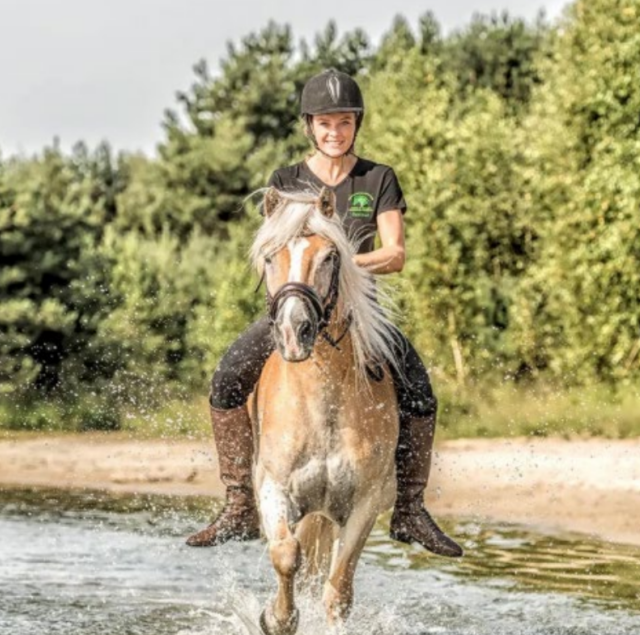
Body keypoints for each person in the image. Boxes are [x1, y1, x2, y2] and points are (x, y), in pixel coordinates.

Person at [185, 68, 463, 558]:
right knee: (227, 380)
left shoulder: (377, 179)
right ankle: (238, 503)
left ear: (356, 125)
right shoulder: (286, 181)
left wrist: (340, 263)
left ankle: (411, 508)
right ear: (309, 126)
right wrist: (307, 272)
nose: (334, 133)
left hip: (360, 311)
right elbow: (273, 248)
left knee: (419, 389)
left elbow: (395, 252)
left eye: (344, 123)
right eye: (324, 124)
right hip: (295, 306)